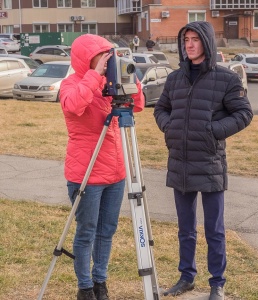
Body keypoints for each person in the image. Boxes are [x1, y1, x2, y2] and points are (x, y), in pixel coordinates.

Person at [154, 21, 253, 300]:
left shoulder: (227, 79)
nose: (189, 44)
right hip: (181, 164)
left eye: (195, 39)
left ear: (206, 43)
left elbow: (244, 114)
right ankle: (186, 277)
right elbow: (161, 108)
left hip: (210, 164)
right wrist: (169, 126)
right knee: (185, 229)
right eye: (186, 39)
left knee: (214, 230)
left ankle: (217, 283)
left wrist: (213, 131)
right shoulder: (175, 79)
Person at [60, 34, 144, 300]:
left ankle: (100, 282)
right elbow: (74, 105)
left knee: (107, 231)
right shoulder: (71, 83)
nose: (109, 61)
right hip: (86, 173)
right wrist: (95, 75)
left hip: (116, 172)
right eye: (103, 56)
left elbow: (138, 105)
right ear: (87, 59)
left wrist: (131, 80)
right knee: (87, 231)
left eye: (111, 56)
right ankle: (84, 287)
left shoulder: (111, 84)